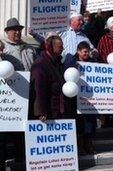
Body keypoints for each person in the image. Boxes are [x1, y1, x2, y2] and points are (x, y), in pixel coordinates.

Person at [0, 18, 37, 170]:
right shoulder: (4, 49)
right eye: (13, 30)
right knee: (7, 130)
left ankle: (21, 157)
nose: (17, 32)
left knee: (23, 129)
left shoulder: (29, 48)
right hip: (9, 99)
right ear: (7, 32)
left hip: (27, 93)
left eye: (19, 29)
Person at [64, 41, 98, 155]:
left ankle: (89, 144)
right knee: (79, 123)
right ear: (78, 51)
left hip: (89, 99)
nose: (86, 54)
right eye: (84, 52)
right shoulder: (71, 61)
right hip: (75, 98)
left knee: (90, 123)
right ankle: (79, 146)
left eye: (88, 52)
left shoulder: (92, 62)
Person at [29, 35, 72, 120]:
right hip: (48, 111)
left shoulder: (58, 62)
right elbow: (38, 89)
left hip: (59, 108)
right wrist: (41, 111)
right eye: (60, 47)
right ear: (50, 47)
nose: (63, 49)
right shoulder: (40, 64)